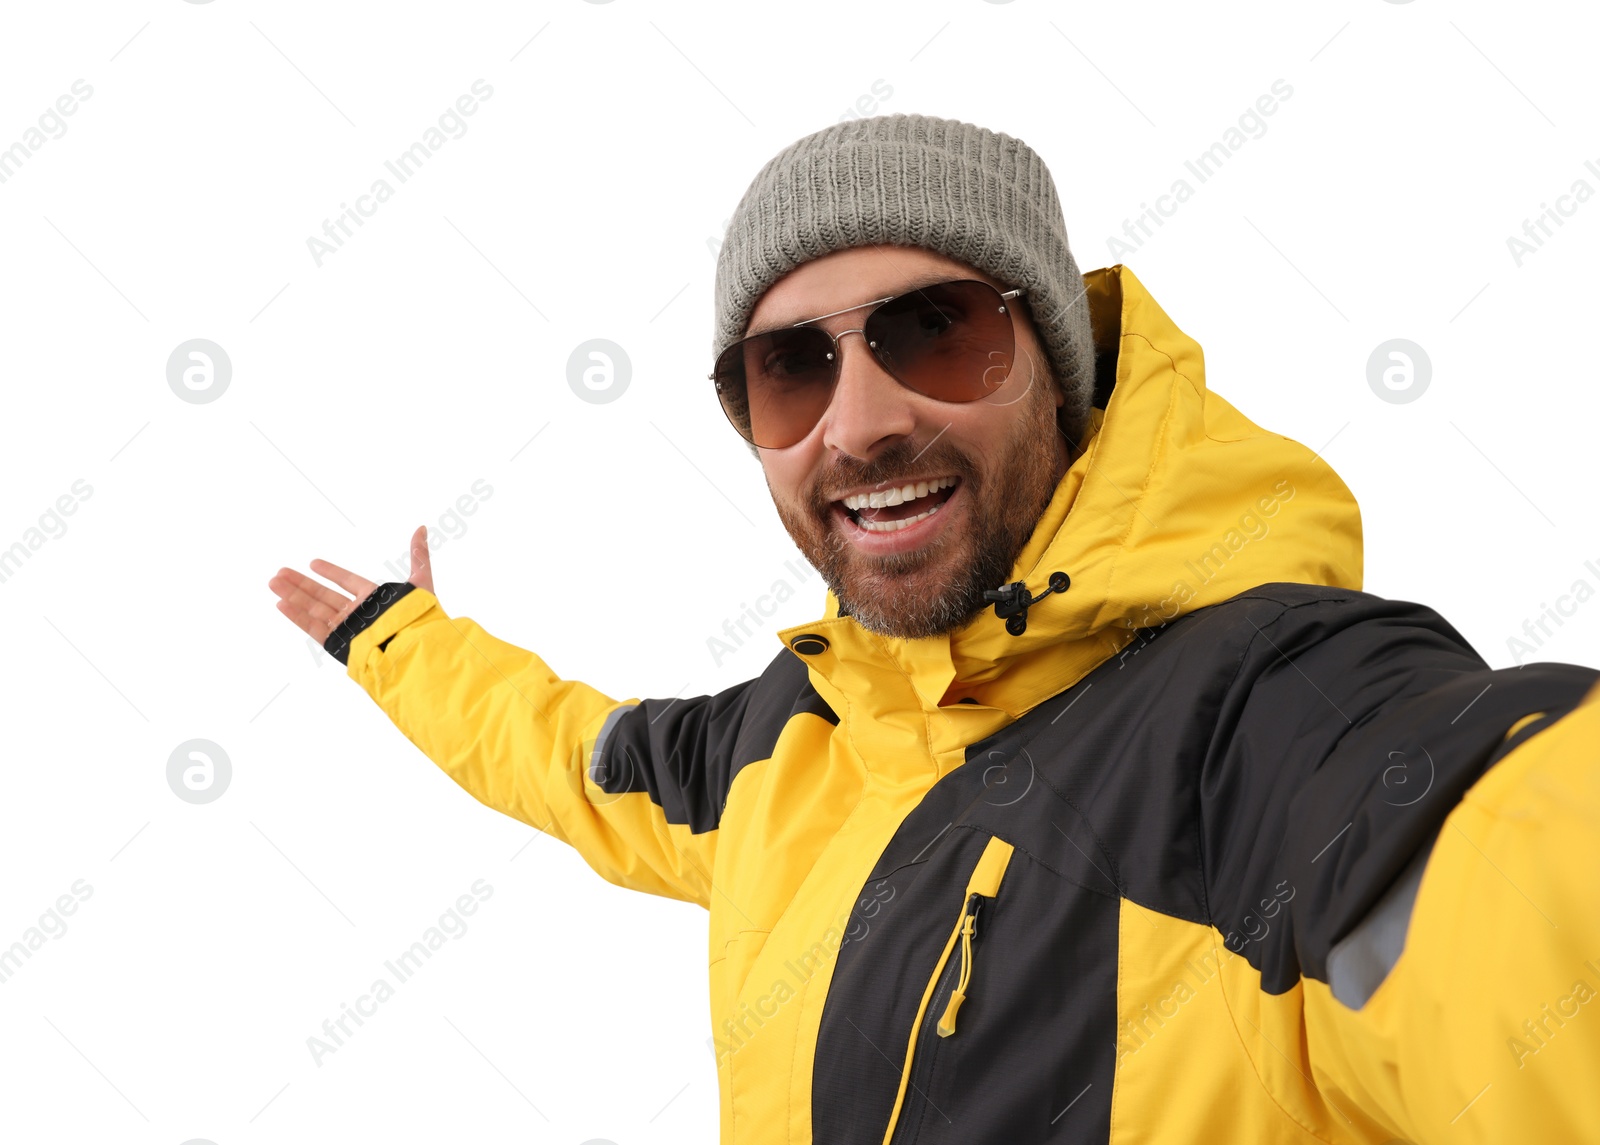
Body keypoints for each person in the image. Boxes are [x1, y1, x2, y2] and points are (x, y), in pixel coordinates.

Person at [268, 114, 1600, 1144]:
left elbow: (1508, 858)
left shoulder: (1259, 714)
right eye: (789, 369)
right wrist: (396, 637)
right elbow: (569, 754)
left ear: (1060, 371)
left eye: (936, 332)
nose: (856, 425)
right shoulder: (781, 744)